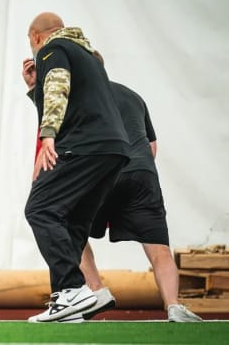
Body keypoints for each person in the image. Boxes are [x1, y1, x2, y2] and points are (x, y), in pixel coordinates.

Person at [23, 12, 130, 323]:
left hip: (83, 145)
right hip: (113, 150)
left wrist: (48, 135)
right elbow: (76, 100)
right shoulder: (89, 57)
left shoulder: (51, 49)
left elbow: (58, 88)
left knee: (40, 209)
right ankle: (67, 302)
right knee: (73, 224)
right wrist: (34, 89)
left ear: (36, 36)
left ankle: (72, 288)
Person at [77, 79, 202, 322]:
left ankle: (96, 292)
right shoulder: (132, 95)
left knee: (69, 230)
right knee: (159, 249)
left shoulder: (82, 92)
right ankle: (174, 306)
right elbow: (151, 147)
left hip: (102, 169)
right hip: (142, 171)